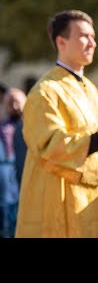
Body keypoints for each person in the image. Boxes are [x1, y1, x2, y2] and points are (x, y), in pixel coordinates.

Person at [15, 10, 98, 238]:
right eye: (84, 36)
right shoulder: (45, 91)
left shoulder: (92, 92)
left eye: (93, 37)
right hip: (57, 200)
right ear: (61, 41)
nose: (92, 43)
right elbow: (48, 146)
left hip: (93, 201)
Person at [0, 87, 27, 237]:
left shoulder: (33, 127)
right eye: (10, 103)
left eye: (17, 102)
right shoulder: (2, 129)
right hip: (8, 188)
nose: (15, 107)